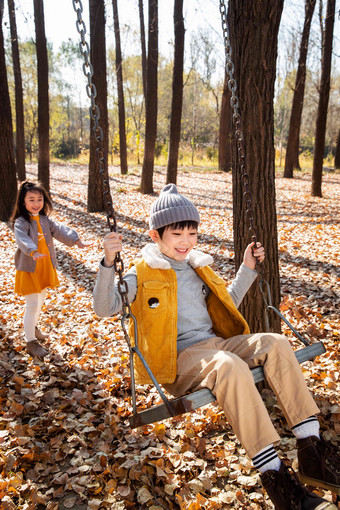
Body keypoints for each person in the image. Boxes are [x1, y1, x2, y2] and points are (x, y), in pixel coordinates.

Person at [93, 184, 339, 510]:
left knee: (276, 343)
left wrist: (247, 268)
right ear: (156, 236)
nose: (185, 241)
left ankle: (313, 451)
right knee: (228, 365)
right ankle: (279, 482)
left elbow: (228, 305)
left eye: (192, 233)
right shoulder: (142, 272)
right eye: (177, 233)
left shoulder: (199, 267)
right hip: (177, 359)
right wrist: (109, 262)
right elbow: (104, 306)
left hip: (216, 345)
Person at [11, 180, 92, 358]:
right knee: (32, 304)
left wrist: (76, 240)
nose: (36, 204)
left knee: (40, 302)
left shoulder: (44, 220)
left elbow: (61, 230)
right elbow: (22, 239)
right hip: (29, 269)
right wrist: (32, 251)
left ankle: (32, 327)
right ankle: (30, 341)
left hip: (45, 267)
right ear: (23, 202)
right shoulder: (21, 222)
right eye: (31, 200)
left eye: (39, 199)